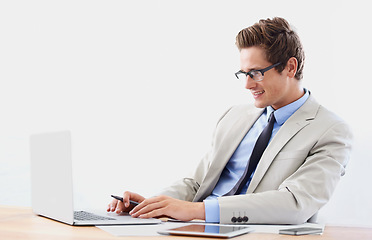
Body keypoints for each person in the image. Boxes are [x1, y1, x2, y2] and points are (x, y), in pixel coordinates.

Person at [107, 17, 352, 224]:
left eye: (256, 73)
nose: (247, 84)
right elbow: (196, 183)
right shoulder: (234, 116)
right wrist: (152, 206)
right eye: (243, 74)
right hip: (194, 228)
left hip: (254, 233)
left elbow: (296, 203)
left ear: (289, 67)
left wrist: (197, 211)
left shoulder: (330, 130)